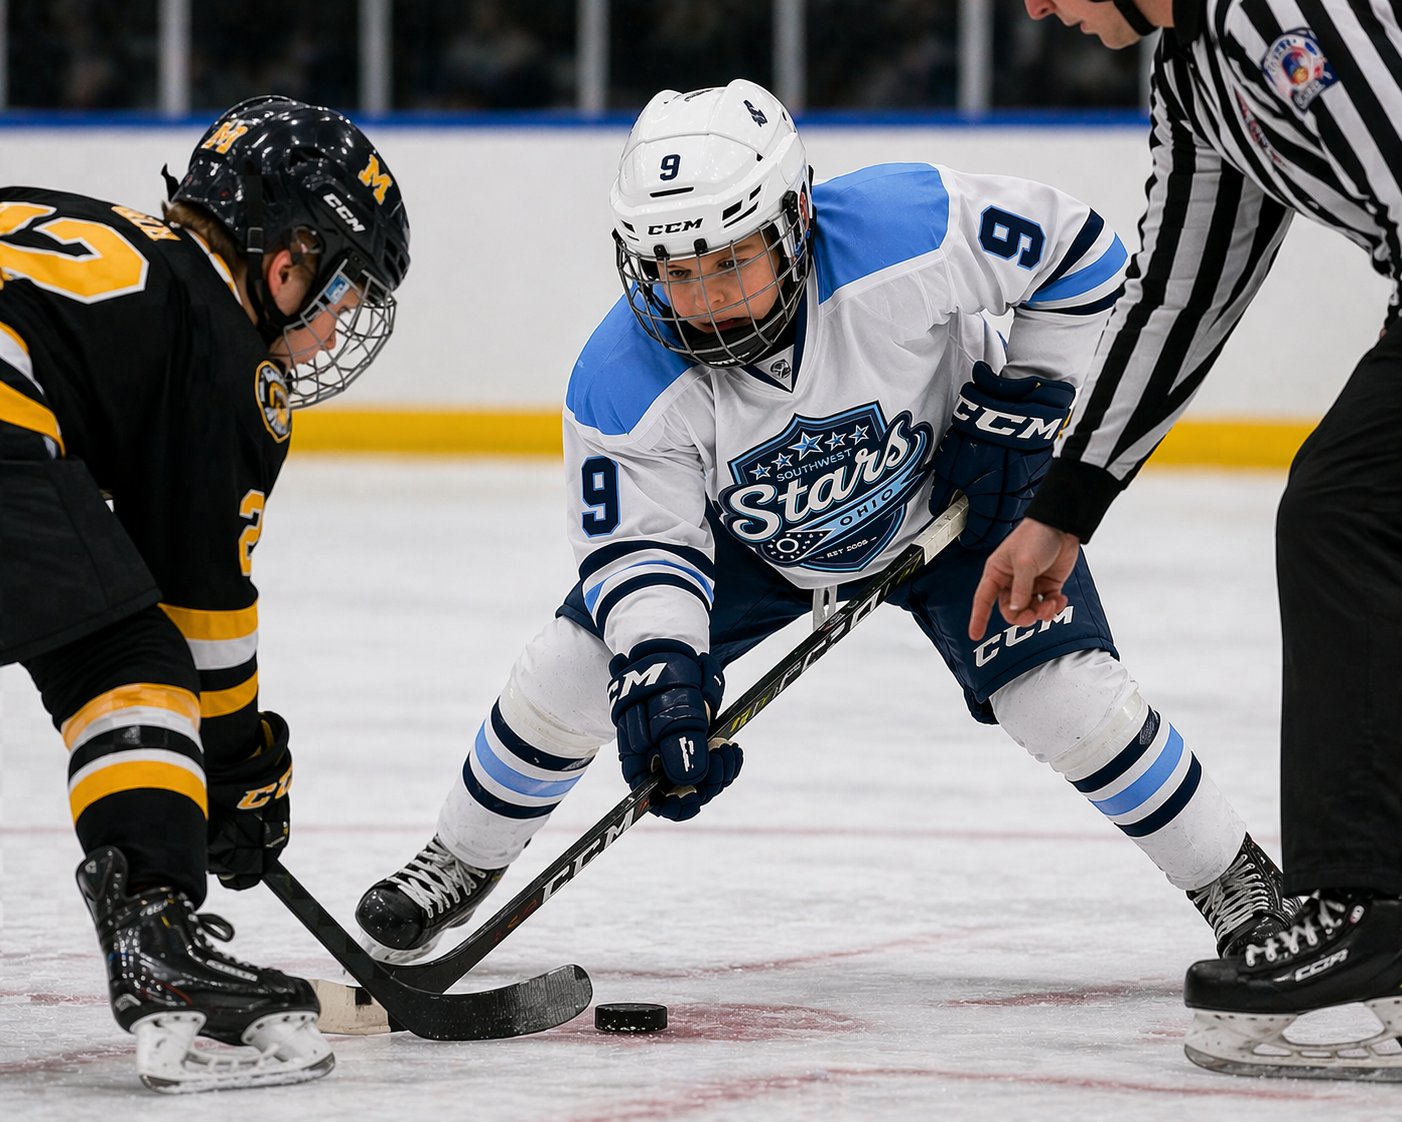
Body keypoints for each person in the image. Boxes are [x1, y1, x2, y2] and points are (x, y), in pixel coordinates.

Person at [354, 78, 1289, 985]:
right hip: (754, 541)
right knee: (573, 669)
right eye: (678, 274)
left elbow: (1083, 259)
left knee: (1061, 697)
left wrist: (1028, 403)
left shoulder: (906, 227)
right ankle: (459, 860)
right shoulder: (618, 383)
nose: (709, 297)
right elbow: (641, 549)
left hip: (957, 499)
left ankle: (1239, 885)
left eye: (731, 261)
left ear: (796, 217)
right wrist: (666, 673)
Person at [979, 0, 1402, 1081]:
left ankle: (1367, 916)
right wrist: (1063, 505)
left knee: (1344, 514)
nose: (1035, 8)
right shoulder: (1198, 72)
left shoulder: (1291, 12)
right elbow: (1180, 294)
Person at [0, 94, 410, 1093]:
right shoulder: (224, 349)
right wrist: (239, 774)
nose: (328, 335)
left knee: (91, 608)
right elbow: (202, 613)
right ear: (287, 260)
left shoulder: (89, 228)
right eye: (341, 296)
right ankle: (161, 944)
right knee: (125, 659)